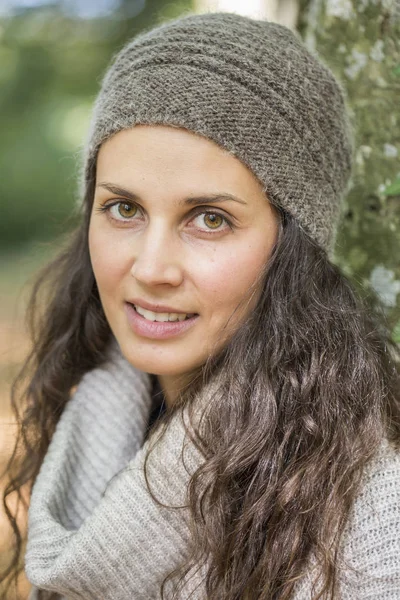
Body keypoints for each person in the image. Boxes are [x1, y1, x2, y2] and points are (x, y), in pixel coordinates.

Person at [2, 10, 400, 600]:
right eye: (124, 209)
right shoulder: (95, 422)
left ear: (295, 247)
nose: (151, 268)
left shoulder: (373, 521)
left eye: (209, 219)